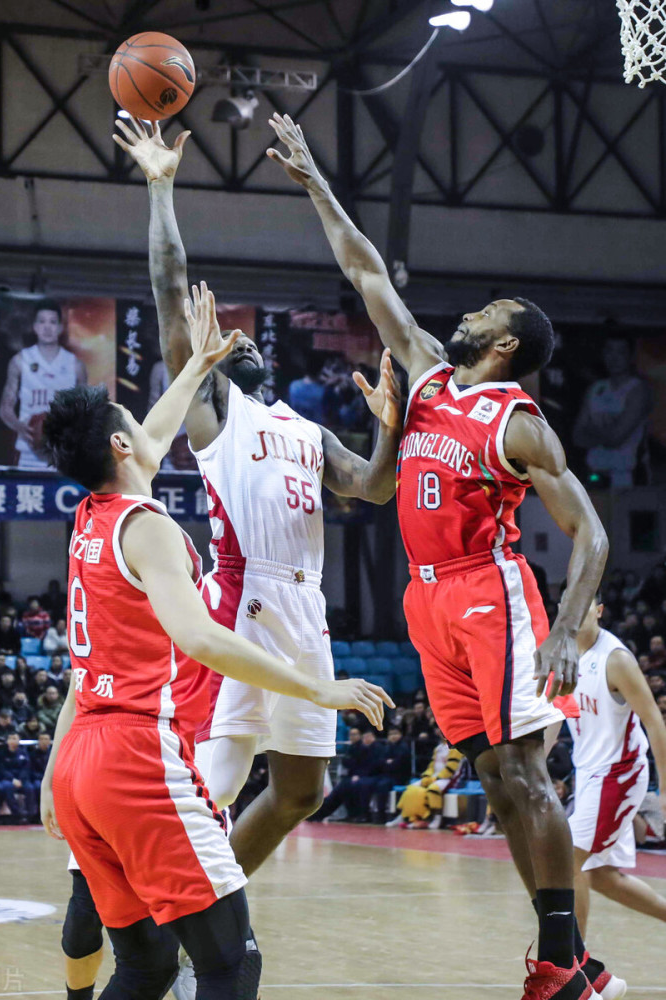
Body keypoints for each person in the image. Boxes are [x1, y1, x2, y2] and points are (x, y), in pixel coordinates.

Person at [267, 112, 614, 999]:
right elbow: (363, 270)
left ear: (504, 347)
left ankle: (559, 961)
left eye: (485, 315)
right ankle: (563, 956)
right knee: (496, 779)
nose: (465, 313)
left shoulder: (517, 423)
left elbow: (593, 534)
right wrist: (313, 180)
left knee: (526, 771)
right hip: (425, 602)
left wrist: (568, 630)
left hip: (486, 590)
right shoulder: (420, 376)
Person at [40, 282, 390, 1000]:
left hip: (81, 758)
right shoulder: (150, 528)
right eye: (134, 421)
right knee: (231, 966)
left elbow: (154, 430)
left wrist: (198, 364)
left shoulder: (91, 517)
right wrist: (317, 686)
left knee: (146, 967)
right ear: (119, 443)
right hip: (136, 754)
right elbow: (200, 637)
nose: (150, 424)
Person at [114, 117, 401, 884]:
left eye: (245, 340)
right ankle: (180, 919)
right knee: (219, 781)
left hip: (306, 608)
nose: (239, 340)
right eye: (226, 341)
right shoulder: (215, 414)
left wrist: (389, 429)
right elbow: (171, 294)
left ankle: (210, 898)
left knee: (303, 789)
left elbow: (375, 489)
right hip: (242, 598)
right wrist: (161, 187)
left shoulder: (305, 429)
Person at [568, 595, 666, 945]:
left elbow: (655, 722)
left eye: (583, 603)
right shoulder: (563, 656)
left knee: (570, 859)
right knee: (601, 876)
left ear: (599, 609)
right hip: (589, 774)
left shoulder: (616, 659)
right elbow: (554, 721)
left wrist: (665, 789)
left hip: (619, 773)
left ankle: (572, 967)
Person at [0, 299, 88, 469]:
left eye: (53, 322)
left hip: (63, 453)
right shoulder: (20, 360)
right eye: (42, 321)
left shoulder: (75, 365)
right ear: (35, 326)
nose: (47, 327)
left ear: (60, 328)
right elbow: (5, 408)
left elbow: (86, 411)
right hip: (28, 451)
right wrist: (19, 426)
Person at [573, 333, 651, 488]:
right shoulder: (596, 388)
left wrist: (593, 432)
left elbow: (616, 439)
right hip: (595, 475)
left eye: (620, 352)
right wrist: (607, 432)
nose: (613, 358)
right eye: (609, 351)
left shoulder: (637, 389)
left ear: (630, 356)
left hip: (626, 477)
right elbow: (577, 437)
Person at [391, 739, 464, 829]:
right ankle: (403, 816)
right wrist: (427, 776)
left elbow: (452, 767)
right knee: (411, 788)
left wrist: (436, 778)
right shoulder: (438, 748)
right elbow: (431, 766)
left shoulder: (455, 747)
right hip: (434, 777)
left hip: (449, 779)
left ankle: (437, 818)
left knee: (433, 790)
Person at [0, 731, 34, 823]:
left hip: (22, 779)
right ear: (7, 741)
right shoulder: (2, 753)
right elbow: (2, 769)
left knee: (30, 788)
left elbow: (26, 768)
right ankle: (17, 814)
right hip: (8, 779)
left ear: (19, 740)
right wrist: (12, 779)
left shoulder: (24, 753)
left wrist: (20, 779)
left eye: (15, 738)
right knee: (7, 787)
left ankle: (31, 815)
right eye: (10, 738)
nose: (13, 741)